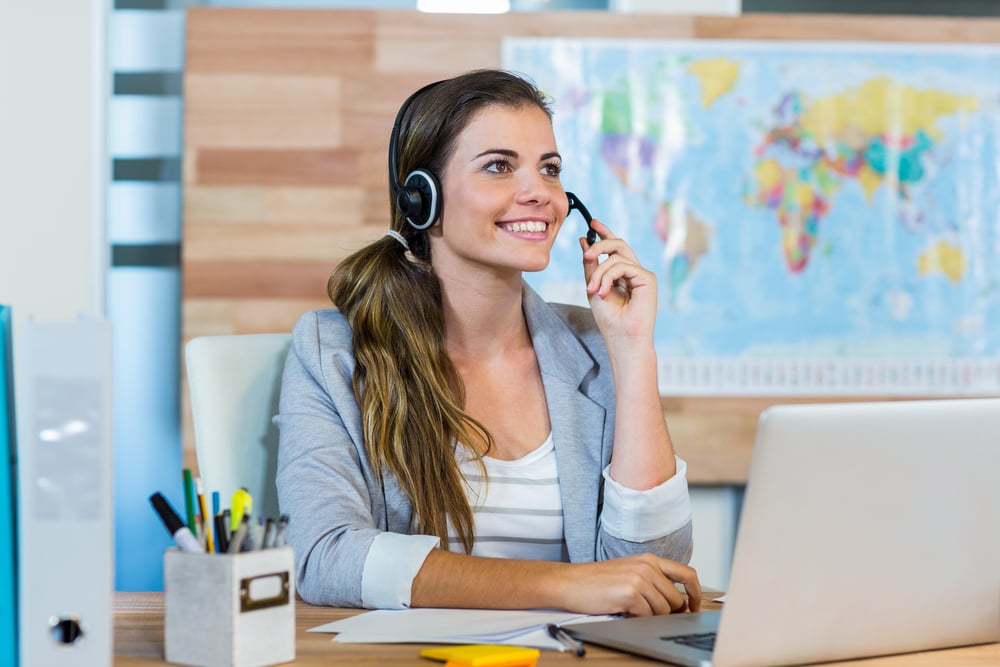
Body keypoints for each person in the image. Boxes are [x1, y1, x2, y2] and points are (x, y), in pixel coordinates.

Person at [275, 68, 701, 616]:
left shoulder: (597, 345)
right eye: (499, 167)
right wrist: (560, 585)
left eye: (550, 170)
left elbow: (653, 574)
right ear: (420, 199)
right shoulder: (333, 353)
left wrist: (633, 350)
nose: (540, 194)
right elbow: (324, 554)